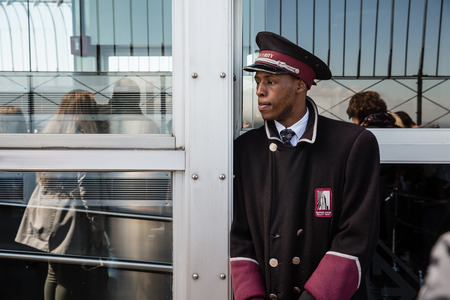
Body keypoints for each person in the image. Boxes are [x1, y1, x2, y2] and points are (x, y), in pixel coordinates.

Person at [230, 32, 380, 300]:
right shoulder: (245, 149)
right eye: (258, 82)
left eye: (271, 81)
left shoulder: (353, 144)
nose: (260, 91)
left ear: (300, 85)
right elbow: (240, 234)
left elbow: (357, 235)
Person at [15, 90, 109, 300]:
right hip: (68, 215)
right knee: (70, 276)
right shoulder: (81, 139)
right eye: (92, 111)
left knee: (53, 272)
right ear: (85, 113)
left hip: (44, 207)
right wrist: (96, 226)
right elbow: (86, 186)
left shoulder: (49, 134)